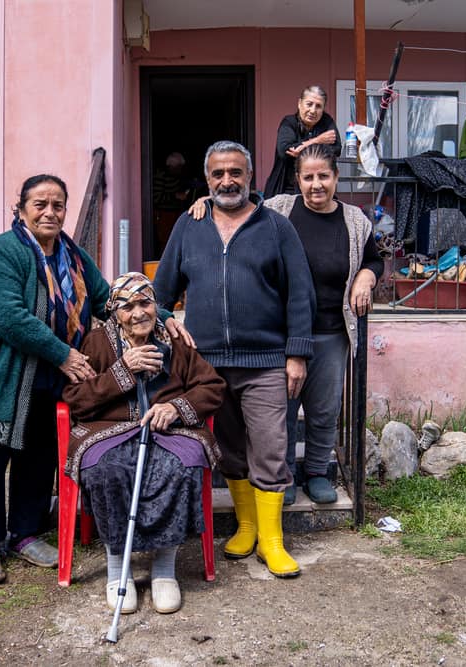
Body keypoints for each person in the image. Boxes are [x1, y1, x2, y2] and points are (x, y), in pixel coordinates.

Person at [0, 174, 191, 586]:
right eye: (40, 204)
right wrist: (64, 353)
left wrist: (164, 317)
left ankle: (25, 534)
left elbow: (106, 298)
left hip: (50, 374)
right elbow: (8, 316)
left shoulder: (73, 256)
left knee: (39, 453)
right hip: (1, 374)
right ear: (21, 208)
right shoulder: (4, 253)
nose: (50, 212)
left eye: (58, 205)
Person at [155, 140, 315, 578]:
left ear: (250, 176)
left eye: (236, 173)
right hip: (206, 365)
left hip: (265, 359)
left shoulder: (276, 227)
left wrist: (297, 354)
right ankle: (246, 527)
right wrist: (166, 318)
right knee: (228, 450)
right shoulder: (190, 226)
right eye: (218, 174)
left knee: (270, 446)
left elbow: (300, 293)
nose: (228, 181)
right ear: (207, 181)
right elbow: (162, 290)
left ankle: (273, 541)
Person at [189, 144, 383, 505]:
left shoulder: (355, 221)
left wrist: (366, 277)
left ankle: (316, 472)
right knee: (283, 410)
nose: (316, 185)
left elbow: (374, 260)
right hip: (283, 333)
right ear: (298, 180)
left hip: (329, 330)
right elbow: (238, 200)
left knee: (324, 407)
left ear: (336, 178)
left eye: (323, 176)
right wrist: (205, 201)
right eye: (308, 177)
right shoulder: (279, 210)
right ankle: (286, 476)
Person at [62, 272, 225, 614]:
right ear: (114, 313)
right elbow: (74, 398)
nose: (138, 313)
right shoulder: (96, 343)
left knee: (180, 467)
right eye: (127, 306)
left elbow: (211, 386)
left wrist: (176, 407)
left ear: (157, 307)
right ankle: (117, 568)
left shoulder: (175, 342)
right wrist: (121, 371)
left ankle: (164, 569)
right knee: (106, 471)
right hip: (109, 429)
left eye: (145, 303)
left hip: (170, 431)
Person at [263, 85, 340, 199]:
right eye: (309, 104)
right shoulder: (289, 122)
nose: (313, 110)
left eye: (318, 106)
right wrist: (317, 140)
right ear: (299, 103)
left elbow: (337, 149)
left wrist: (301, 149)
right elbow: (284, 151)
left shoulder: (326, 121)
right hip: (285, 187)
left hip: (316, 188)